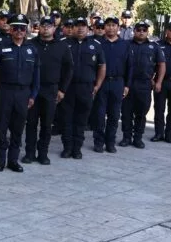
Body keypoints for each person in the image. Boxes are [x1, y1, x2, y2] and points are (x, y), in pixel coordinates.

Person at [0, 14, 39, 172]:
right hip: (5, 92)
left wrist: (33, 95)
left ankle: (13, 160)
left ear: (26, 30)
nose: (19, 31)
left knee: (18, 128)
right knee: (1, 128)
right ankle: (0, 160)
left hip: (23, 93)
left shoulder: (32, 49)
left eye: (22, 28)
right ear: (10, 29)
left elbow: (36, 75)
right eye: (16, 28)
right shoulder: (1, 47)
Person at [24, 15, 72, 165]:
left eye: (49, 25)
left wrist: (62, 89)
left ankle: (43, 153)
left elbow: (68, 69)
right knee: (31, 123)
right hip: (33, 90)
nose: (46, 28)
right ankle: (30, 153)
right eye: (43, 25)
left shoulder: (62, 46)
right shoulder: (30, 44)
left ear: (54, 28)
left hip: (51, 89)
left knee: (46, 124)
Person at [59, 17, 106, 159]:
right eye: (77, 26)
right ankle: (67, 148)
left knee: (81, 120)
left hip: (86, 88)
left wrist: (97, 85)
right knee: (66, 119)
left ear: (88, 28)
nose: (80, 28)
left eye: (83, 26)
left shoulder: (96, 45)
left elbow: (102, 66)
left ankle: (77, 148)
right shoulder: (63, 44)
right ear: (72, 28)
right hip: (67, 88)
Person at [120, 20, 165, 148]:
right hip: (128, 84)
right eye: (138, 29)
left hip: (144, 85)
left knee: (141, 113)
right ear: (134, 31)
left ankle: (138, 138)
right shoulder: (126, 44)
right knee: (126, 112)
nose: (141, 32)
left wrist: (158, 81)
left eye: (144, 30)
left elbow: (162, 64)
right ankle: (126, 137)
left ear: (147, 32)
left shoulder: (154, 47)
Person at [92, 16, 132, 153]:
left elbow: (130, 66)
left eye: (114, 25)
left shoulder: (125, 45)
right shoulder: (98, 44)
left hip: (118, 82)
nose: (110, 28)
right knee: (99, 114)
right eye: (108, 25)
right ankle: (98, 142)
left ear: (118, 28)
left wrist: (127, 85)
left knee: (114, 115)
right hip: (102, 83)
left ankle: (110, 142)